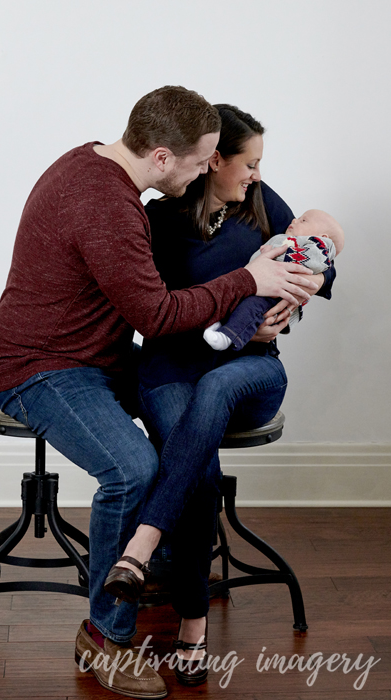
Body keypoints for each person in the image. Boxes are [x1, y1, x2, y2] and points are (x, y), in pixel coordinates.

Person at [0, 88, 318, 699]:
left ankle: (165, 568)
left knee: (184, 422)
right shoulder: (107, 206)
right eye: (198, 162)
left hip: (99, 357)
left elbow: (310, 248)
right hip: (41, 367)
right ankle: (105, 637)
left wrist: (279, 304)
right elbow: (158, 315)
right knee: (133, 470)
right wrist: (249, 280)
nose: (203, 174)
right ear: (163, 157)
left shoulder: (93, 161)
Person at [103, 104, 337, 687]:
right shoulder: (156, 220)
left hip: (251, 370)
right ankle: (191, 623)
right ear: (213, 162)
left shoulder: (263, 202)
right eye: (248, 163)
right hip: (168, 372)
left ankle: (141, 545)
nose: (257, 174)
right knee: (199, 468)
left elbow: (321, 261)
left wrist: (290, 298)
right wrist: (230, 303)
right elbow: (149, 314)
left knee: (217, 385)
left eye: (261, 164)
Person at [204, 209, 345, 351]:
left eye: (303, 220)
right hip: (260, 284)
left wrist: (274, 252)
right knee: (233, 294)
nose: (294, 220)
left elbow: (316, 261)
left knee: (251, 308)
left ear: (323, 237)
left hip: (276, 294)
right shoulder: (291, 239)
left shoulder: (319, 247)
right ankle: (219, 323)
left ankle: (227, 337)